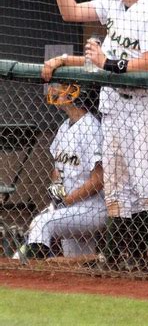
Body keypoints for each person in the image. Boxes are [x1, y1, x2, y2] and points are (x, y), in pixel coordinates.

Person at [44, 0, 148, 269]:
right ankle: (118, 259)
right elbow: (70, 12)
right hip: (115, 104)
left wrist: (106, 64)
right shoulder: (113, 4)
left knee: (146, 184)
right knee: (117, 186)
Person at [17, 83, 106, 260]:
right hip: (68, 206)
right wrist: (58, 195)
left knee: (42, 223)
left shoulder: (92, 128)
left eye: (63, 87)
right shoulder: (65, 126)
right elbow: (57, 170)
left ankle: (36, 271)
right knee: (76, 260)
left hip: (91, 207)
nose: (55, 90)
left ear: (76, 93)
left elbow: (99, 180)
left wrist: (66, 200)